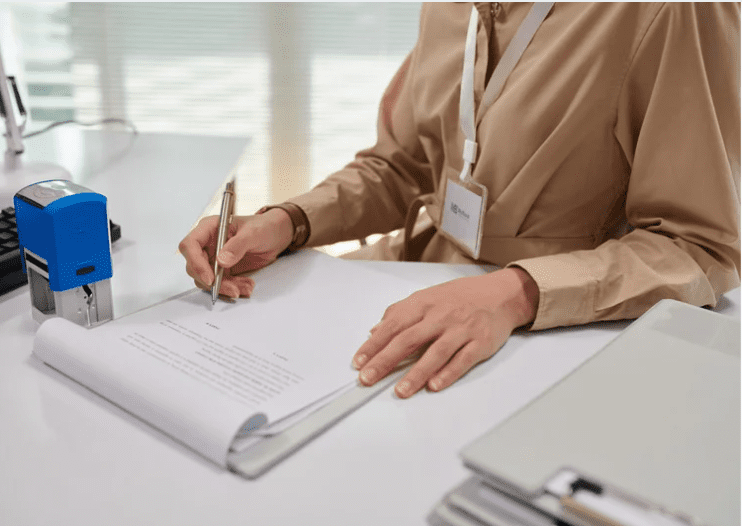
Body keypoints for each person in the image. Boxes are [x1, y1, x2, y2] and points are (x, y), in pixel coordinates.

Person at [179, 3, 740, 399]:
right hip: (420, 272)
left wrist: (518, 293)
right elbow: (402, 167)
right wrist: (290, 221)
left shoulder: (675, 9)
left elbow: (700, 248)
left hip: (564, 320)